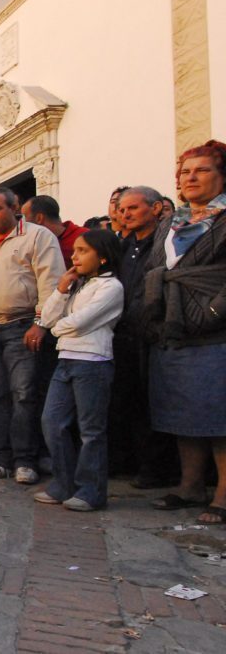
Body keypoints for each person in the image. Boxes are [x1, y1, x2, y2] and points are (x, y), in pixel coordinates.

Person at [146, 140, 226, 525]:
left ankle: (224, 495)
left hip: (215, 331)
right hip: (174, 327)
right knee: (184, 413)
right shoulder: (171, 222)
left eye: (202, 170)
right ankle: (190, 485)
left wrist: (213, 311)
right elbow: (157, 266)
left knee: (219, 416)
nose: (190, 177)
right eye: (185, 171)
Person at [0, 187, 65, 484]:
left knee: (24, 394)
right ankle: (1, 459)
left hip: (22, 327)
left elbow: (51, 283)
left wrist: (40, 323)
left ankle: (25, 460)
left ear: (14, 207)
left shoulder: (37, 237)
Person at [35, 230, 124, 511]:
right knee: (52, 422)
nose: (74, 257)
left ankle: (90, 491)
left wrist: (56, 329)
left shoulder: (111, 287)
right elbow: (47, 317)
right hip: (65, 359)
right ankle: (63, 484)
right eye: (74, 250)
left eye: (83, 251)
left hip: (93, 361)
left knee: (91, 430)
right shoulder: (78, 285)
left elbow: (79, 322)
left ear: (103, 256)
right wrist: (61, 289)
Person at [108, 187, 176, 487]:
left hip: (154, 332)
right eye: (122, 209)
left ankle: (157, 468)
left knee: (153, 401)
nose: (126, 214)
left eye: (133, 208)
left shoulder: (167, 243)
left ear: (156, 208)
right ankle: (127, 460)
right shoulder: (123, 247)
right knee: (126, 398)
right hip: (123, 333)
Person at [20, 195, 88, 270]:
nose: (21, 223)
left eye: (23, 218)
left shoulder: (85, 237)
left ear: (39, 218)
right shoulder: (29, 242)